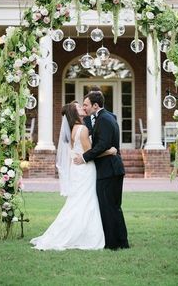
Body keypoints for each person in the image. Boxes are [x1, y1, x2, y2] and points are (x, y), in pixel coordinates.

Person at [30, 101, 116, 251]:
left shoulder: (72, 129)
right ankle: (85, 236)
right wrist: (110, 151)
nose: (82, 108)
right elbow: (91, 152)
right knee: (86, 201)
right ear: (74, 113)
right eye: (78, 107)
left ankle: (80, 234)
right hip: (85, 169)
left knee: (77, 201)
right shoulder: (82, 129)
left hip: (77, 169)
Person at [74, 91, 129, 250]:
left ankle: (113, 243)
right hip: (113, 168)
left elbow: (102, 145)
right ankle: (121, 242)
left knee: (109, 206)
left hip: (109, 169)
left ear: (95, 105)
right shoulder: (107, 116)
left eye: (86, 105)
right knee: (114, 206)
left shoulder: (104, 119)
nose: (84, 107)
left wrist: (84, 157)